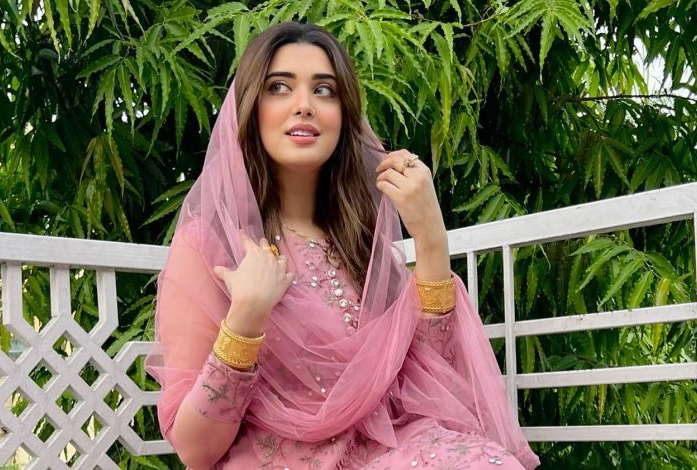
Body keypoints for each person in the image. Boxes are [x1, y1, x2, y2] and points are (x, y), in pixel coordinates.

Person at [146, 21, 540, 470]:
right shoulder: (211, 246)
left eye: (324, 90)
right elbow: (195, 450)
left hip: (392, 447)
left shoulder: (358, 239)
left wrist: (431, 240)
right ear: (250, 109)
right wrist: (246, 318)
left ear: (344, 113)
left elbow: (435, 384)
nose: (304, 105)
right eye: (279, 87)